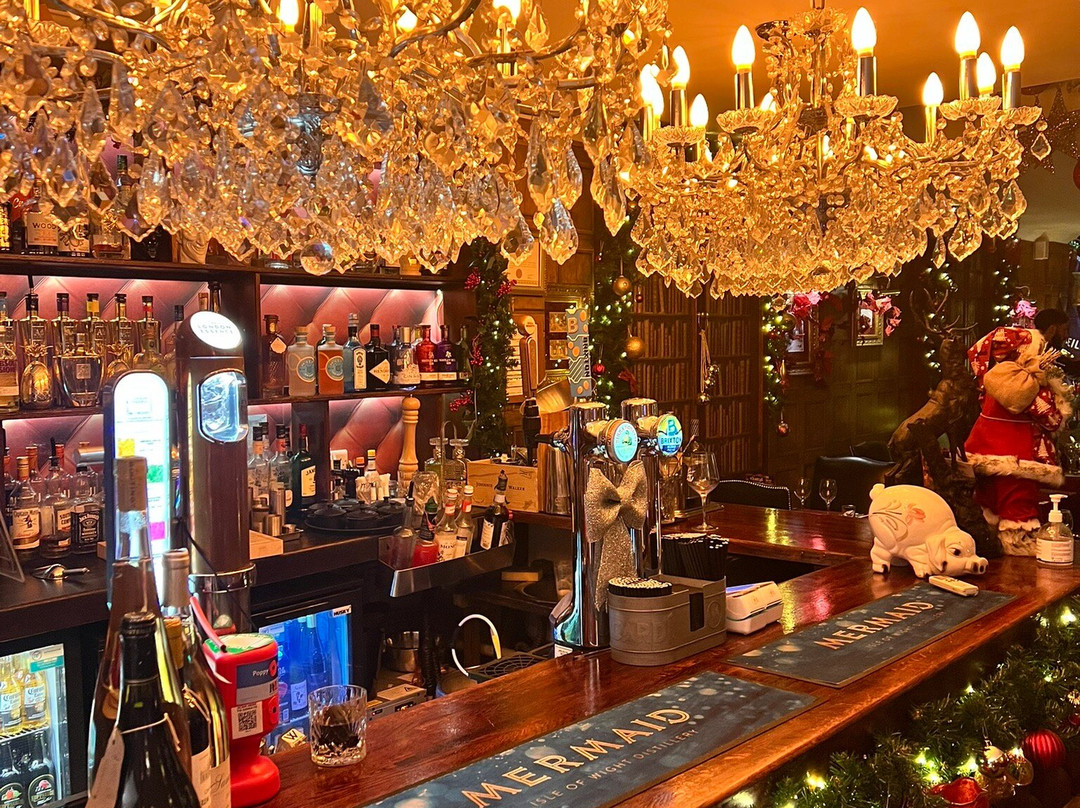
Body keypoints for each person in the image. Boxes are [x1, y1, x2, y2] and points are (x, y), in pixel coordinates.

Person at [964, 320, 1073, 555]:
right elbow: (1051, 420)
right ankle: (1018, 560)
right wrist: (1061, 399)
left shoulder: (993, 380)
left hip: (983, 450)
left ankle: (988, 552)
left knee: (987, 505)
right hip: (1019, 457)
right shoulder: (1026, 384)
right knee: (1018, 512)